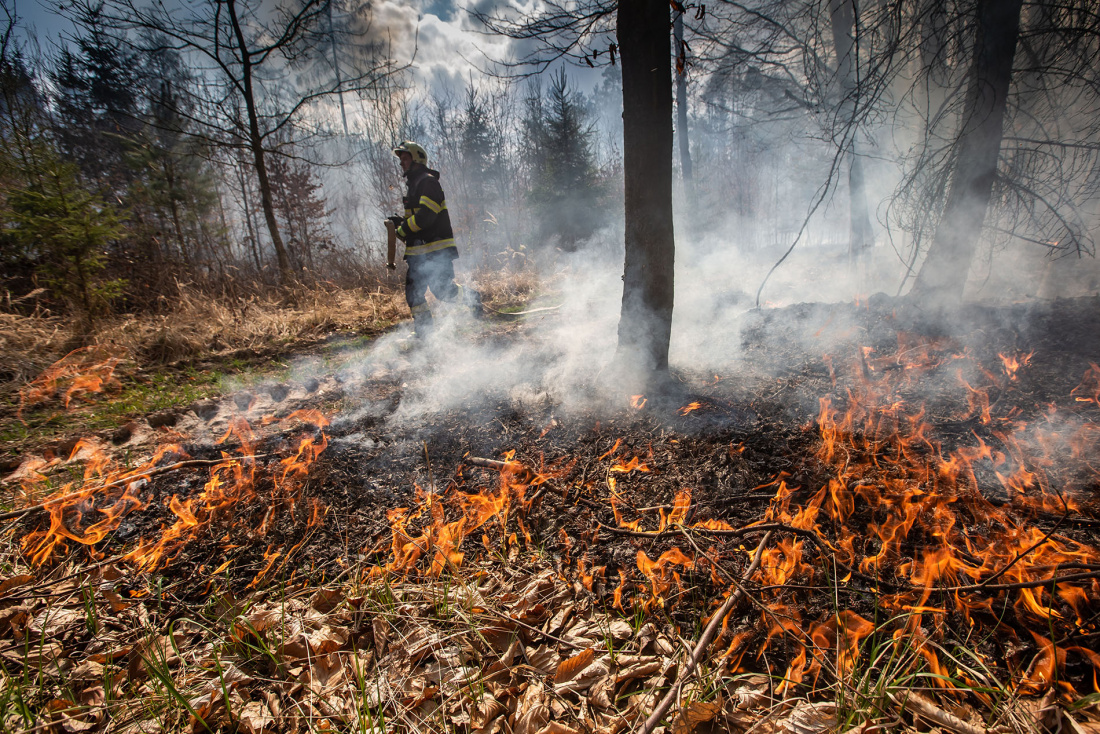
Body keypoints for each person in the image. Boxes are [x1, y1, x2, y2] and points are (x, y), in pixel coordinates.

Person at [388, 141, 477, 336]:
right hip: (419, 254)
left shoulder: (427, 182)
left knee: (444, 292)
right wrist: (401, 222)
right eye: (400, 159)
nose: (401, 163)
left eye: (405, 158)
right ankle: (425, 333)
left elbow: (427, 216)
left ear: (417, 158)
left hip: (436, 252)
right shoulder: (414, 184)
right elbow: (418, 220)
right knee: (414, 294)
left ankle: (474, 299)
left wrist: (403, 229)